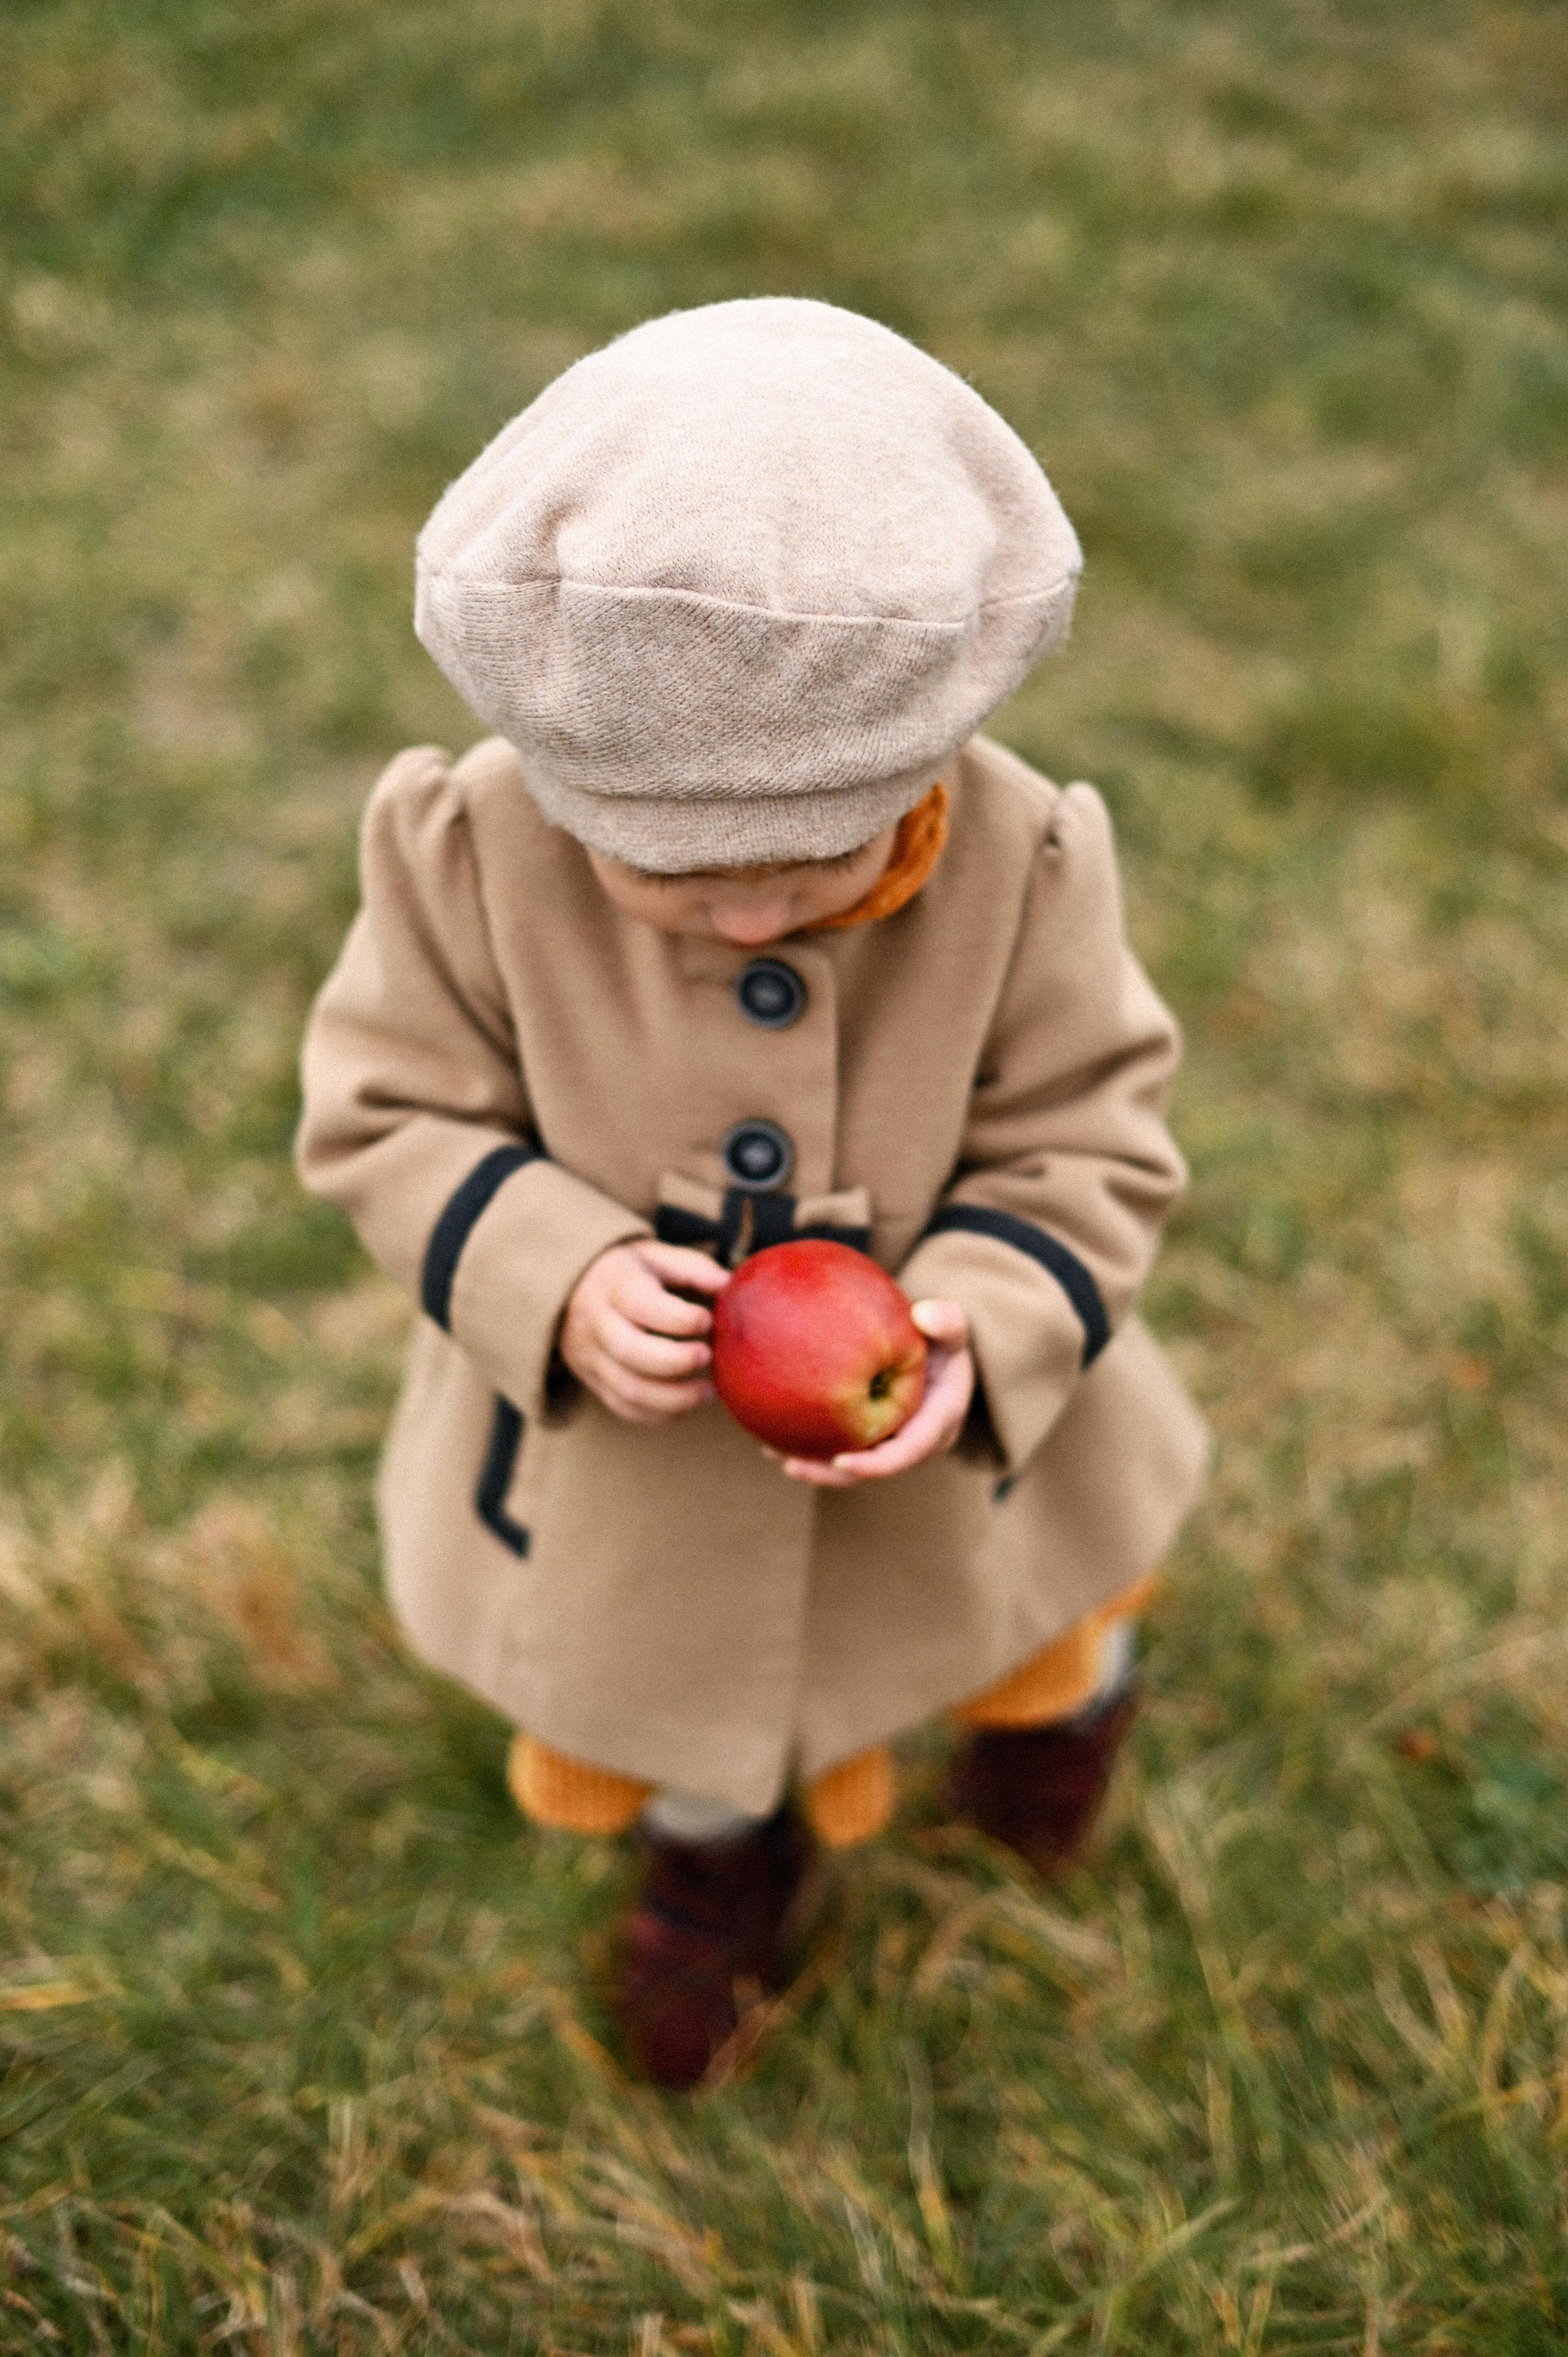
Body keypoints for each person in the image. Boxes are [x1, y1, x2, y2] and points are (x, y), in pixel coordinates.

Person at [296, 298, 1209, 2088]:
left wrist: (988, 1318)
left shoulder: (1023, 861)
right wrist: (547, 1275)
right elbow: (386, 1108)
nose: (744, 920)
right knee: (687, 1704)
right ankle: (718, 1864)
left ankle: (1057, 1733)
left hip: (943, 1431)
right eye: (669, 872)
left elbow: (1094, 1130)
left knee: (1035, 1606)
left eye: (818, 864)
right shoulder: (463, 851)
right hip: (638, 1476)